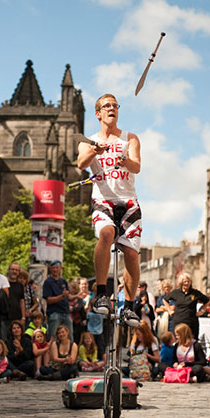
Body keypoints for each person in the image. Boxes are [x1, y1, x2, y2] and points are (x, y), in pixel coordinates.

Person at [77, 93, 141, 327]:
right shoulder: (88, 141)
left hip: (128, 201)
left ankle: (130, 306)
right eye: (107, 106)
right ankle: (102, 293)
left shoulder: (130, 138)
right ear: (98, 113)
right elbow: (81, 164)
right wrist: (96, 151)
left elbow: (137, 166)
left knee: (132, 254)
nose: (112, 108)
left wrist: (124, 161)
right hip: (103, 199)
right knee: (106, 234)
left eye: (115, 105)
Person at [165, 273, 210, 340]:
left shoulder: (195, 293)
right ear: (181, 283)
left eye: (188, 281)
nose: (186, 283)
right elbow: (165, 300)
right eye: (184, 282)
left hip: (191, 322)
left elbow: (207, 301)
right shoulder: (176, 292)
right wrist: (169, 310)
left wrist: (202, 311)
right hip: (178, 322)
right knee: (178, 342)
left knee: (192, 341)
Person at [42, 260, 73, 341]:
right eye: (53, 268)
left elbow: (68, 296)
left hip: (66, 313)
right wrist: (62, 296)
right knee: (53, 337)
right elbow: (48, 300)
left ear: (60, 269)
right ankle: (52, 352)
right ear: (50, 269)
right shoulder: (47, 282)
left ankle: (69, 353)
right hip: (54, 313)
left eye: (57, 268)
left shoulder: (63, 281)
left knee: (69, 337)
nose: (55, 270)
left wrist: (77, 296)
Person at [2, 263, 26, 340]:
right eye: (12, 269)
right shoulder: (2, 283)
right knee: (4, 339)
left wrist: (23, 317)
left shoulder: (20, 285)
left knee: (16, 339)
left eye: (16, 270)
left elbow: (22, 301)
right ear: (9, 271)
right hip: (4, 317)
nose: (14, 272)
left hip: (16, 317)